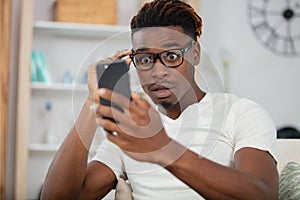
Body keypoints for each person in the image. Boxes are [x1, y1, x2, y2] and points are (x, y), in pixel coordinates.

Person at [40, 0, 278, 199]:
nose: (158, 71)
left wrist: (163, 148)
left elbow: (264, 194)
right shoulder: (130, 127)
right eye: (145, 59)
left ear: (195, 54)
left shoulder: (240, 113)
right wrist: (94, 101)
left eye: (172, 56)